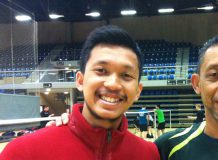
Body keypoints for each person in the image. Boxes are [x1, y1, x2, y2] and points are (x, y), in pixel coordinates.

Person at [0, 25, 159, 160]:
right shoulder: (22, 153)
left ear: (138, 91)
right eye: (101, 70)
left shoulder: (149, 154)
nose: (113, 84)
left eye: (126, 75)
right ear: (80, 81)